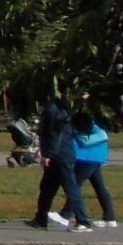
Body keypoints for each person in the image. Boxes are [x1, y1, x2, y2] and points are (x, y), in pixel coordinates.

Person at [29, 93, 91, 231]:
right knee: (46, 188)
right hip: (58, 154)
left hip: (60, 156)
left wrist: (47, 155)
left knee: (71, 188)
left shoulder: (54, 111)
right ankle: (40, 218)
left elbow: (54, 135)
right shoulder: (59, 109)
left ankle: (83, 221)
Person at [73, 108, 119, 228]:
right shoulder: (87, 123)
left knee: (73, 186)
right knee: (99, 187)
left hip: (87, 158)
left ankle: (65, 214)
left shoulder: (84, 123)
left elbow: (99, 136)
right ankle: (110, 217)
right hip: (92, 158)